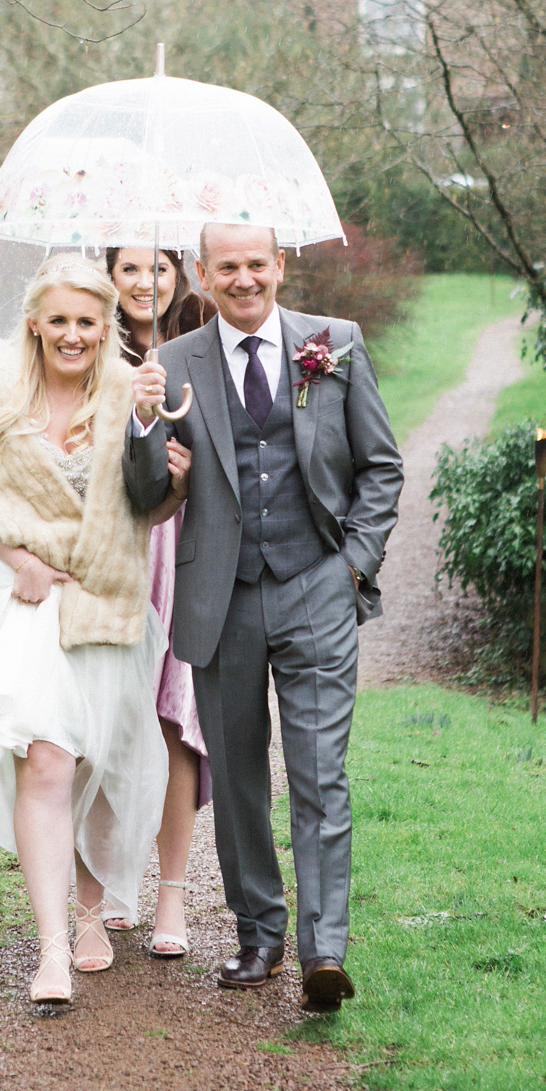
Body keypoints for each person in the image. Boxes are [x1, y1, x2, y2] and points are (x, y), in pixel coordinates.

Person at [122, 223, 404, 1011]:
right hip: (220, 594)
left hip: (318, 584)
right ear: (202, 277)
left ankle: (324, 950)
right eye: (227, 268)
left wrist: (354, 563)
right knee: (241, 777)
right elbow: (146, 496)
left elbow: (381, 466)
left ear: (279, 267)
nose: (243, 280)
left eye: (257, 264)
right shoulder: (171, 364)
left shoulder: (333, 344)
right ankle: (259, 935)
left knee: (319, 774)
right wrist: (143, 424)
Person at [0, 255, 188, 1007]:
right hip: (23, 600)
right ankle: (53, 948)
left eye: (87, 323)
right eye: (58, 320)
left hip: (105, 594)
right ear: (34, 320)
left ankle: (95, 914)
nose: (72, 335)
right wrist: (15, 556)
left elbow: (149, 508)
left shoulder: (135, 388)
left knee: (97, 762)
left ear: (107, 326)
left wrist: (160, 452)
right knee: (48, 762)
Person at [105, 244, 215, 957]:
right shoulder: (90, 346)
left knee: (175, 717)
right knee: (107, 717)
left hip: (184, 551)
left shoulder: (203, 348)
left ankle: (171, 897)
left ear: (178, 277)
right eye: (130, 270)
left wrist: (190, 468)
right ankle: (114, 882)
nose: (146, 282)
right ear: (109, 279)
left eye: (160, 270)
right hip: (115, 550)